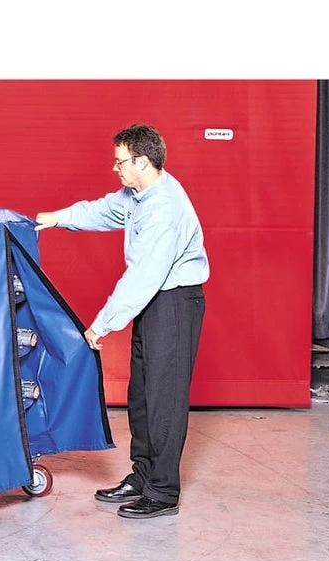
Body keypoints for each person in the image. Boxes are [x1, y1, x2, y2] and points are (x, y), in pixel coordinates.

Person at [34, 124, 209, 518]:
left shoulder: (164, 209)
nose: (115, 168)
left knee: (164, 400)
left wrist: (101, 324)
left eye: (120, 162)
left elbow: (144, 277)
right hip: (154, 302)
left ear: (142, 162)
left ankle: (162, 492)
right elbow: (103, 210)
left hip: (173, 303)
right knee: (142, 396)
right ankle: (143, 476)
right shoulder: (138, 194)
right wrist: (58, 218)